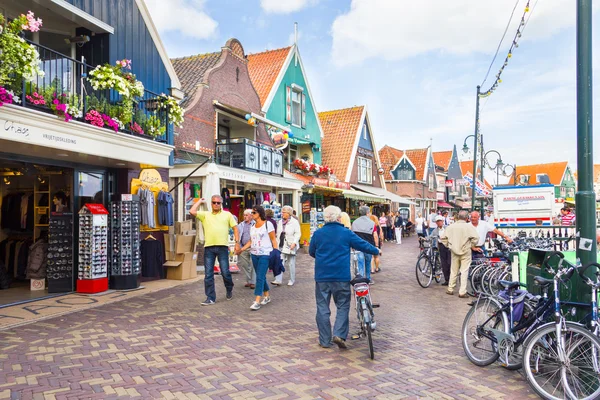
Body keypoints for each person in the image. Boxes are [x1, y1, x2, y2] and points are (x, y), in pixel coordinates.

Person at [309, 205, 380, 349]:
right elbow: (362, 245)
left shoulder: (318, 234)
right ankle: (339, 334)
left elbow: (312, 252)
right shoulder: (345, 233)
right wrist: (376, 250)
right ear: (339, 218)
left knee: (322, 307)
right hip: (341, 276)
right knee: (342, 305)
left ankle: (324, 340)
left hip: (322, 276)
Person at [190, 195, 238, 305]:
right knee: (208, 274)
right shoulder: (205, 215)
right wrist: (200, 201)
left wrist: (237, 243)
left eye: (218, 203)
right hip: (209, 247)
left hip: (222, 247)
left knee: (225, 272)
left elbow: (235, 228)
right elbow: (192, 211)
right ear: (211, 203)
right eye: (214, 202)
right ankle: (210, 298)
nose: (216, 204)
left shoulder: (227, 215)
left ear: (221, 204)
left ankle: (229, 287)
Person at [236, 205, 278, 310]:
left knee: (259, 277)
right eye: (251, 213)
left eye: (254, 213)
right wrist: (241, 249)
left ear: (260, 213)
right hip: (254, 253)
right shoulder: (253, 227)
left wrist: (276, 251)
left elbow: (273, 239)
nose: (252, 215)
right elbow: (251, 241)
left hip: (265, 254)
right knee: (262, 277)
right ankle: (267, 296)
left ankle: (257, 300)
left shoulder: (268, 224)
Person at [440, 211, 479, 298]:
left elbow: (442, 238)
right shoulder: (469, 227)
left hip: (454, 250)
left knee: (453, 270)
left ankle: (450, 288)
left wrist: (449, 245)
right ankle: (462, 291)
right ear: (466, 218)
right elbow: (476, 238)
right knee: (464, 271)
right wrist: (471, 245)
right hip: (465, 251)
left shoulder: (451, 226)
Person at [273, 205, 301, 286]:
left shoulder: (294, 222)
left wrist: (294, 243)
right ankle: (278, 279)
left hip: (290, 244)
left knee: (291, 263)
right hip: (281, 244)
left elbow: (298, 233)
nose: (282, 214)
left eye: (284, 212)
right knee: (280, 262)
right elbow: (277, 234)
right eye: (282, 212)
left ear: (289, 213)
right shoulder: (280, 222)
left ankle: (292, 279)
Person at [351, 206, 379, 281]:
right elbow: (375, 235)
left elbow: (352, 235)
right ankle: (368, 278)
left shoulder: (355, 222)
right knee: (368, 262)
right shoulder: (372, 223)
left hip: (358, 246)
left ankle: (361, 279)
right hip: (368, 245)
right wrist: (376, 245)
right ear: (367, 213)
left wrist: (352, 245)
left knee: (360, 262)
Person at [237, 209, 255, 289]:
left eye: (246, 215)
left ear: (251, 216)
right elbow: (237, 235)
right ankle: (249, 280)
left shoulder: (255, 224)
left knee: (253, 265)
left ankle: (253, 282)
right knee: (244, 265)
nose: (245, 217)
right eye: (244, 215)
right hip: (243, 247)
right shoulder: (241, 225)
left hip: (253, 247)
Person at [431, 216, 451, 285]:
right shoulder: (435, 230)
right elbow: (431, 236)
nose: (439, 222)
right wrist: (424, 238)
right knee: (443, 264)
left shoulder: (447, 228)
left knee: (449, 263)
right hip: (441, 246)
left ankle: (451, 279)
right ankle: (447, 279)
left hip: (448, 246)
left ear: (442, 221)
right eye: (437, 221)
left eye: (440, 221)